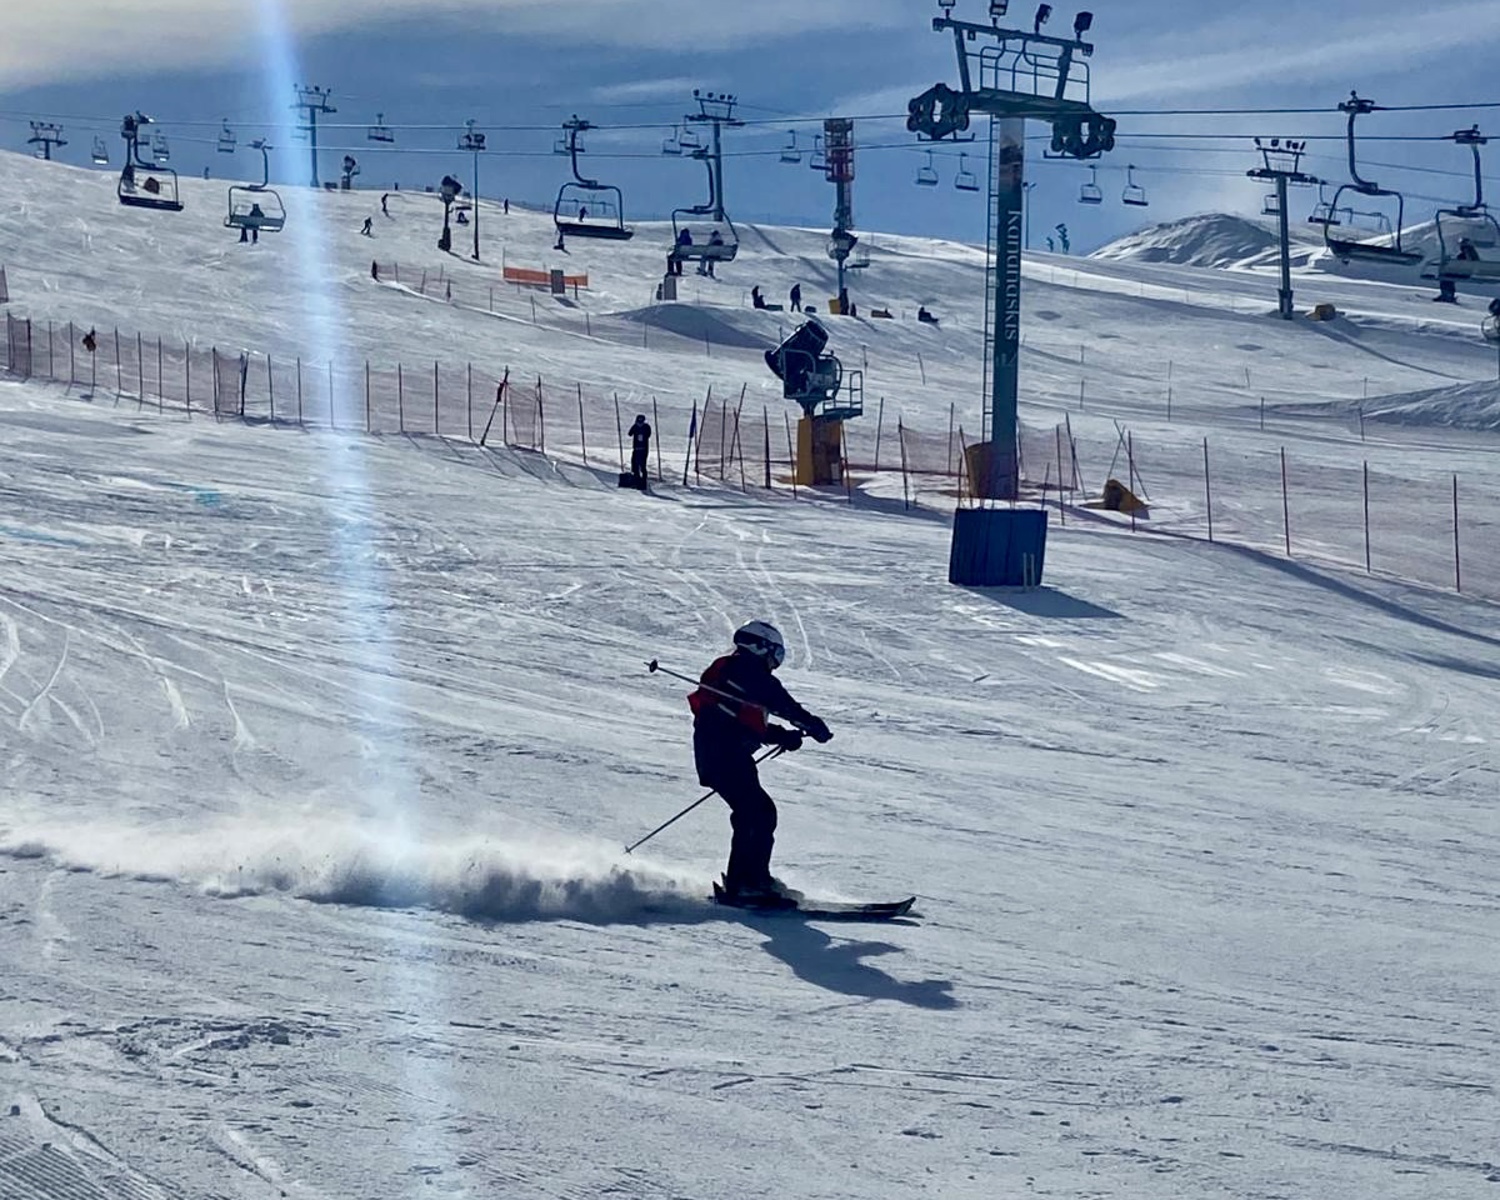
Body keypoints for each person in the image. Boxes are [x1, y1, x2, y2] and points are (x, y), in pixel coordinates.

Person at [690, 621, 833, 902]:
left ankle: (751, 879)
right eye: (775, 654)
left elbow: (742, 722)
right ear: (760, 646)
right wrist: (812, 725)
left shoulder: (735, 672)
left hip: (724, 755)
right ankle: (746, 883)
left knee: (757, 813)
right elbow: (779, 701)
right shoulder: (745, 669)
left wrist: (783, 736)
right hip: (724, 756)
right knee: (756, 813)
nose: (774, 662)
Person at [628, 413, 652, 485]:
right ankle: (637, 478)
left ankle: (642, 480)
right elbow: (630, 433)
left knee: (641, 465)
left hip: (642, 449)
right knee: (636, 464)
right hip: (638, 448)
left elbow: (648, 435)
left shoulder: (645, 427)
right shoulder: (637, 427)